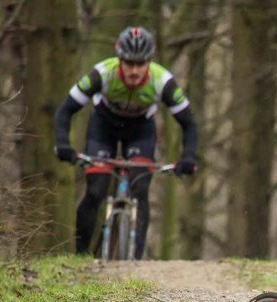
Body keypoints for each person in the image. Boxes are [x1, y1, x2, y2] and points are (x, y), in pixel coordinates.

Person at [54, 26, 198, 259]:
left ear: (149, 62)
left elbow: (189, 123)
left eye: (140, 64)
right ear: (119, 60)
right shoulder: (102, 73)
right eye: (128, 63)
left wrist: (189, 157)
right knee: (96, 189)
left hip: (140, 130)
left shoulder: (162, 81)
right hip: (103, 127)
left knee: (140, 188)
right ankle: (78, 258)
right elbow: (65, 110)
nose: (134, 70)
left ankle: (136, 262)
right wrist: (63, 144)